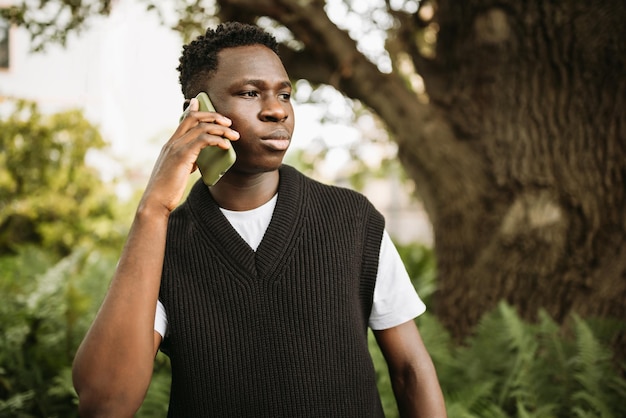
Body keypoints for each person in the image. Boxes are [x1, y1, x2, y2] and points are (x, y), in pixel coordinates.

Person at [72, 22, 447, 418]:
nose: (276, 110)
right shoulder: (161, 243)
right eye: (250, 93)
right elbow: (104, 403)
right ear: (197, 111)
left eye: (284, 94)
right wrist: (153, 209)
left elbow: (410, 373)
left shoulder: (352, 220)